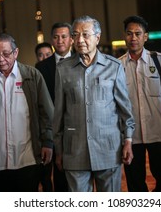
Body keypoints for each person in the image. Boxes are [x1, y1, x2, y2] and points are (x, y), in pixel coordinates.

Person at [53, 15, 135, 192]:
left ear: (97, 37)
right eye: (75, 35)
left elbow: (125, 111)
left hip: (109, 149)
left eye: (85, 35)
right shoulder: (63, 69)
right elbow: (58, 114)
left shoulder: (113, 66)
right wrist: (58, 150)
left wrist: (128, 141)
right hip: (74, 151)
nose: (80, 40)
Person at [0, 33, 54, 192]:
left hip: (28, 157)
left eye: (6, 53)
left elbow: (46, 113)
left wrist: (47, 142)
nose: (0, 59)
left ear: (16, 53)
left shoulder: (32, 76)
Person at [119, 15, 161, 192]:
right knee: (135, 183)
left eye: (138, 34)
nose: (133, 38)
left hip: (158, 131)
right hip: (132, 136)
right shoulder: (118, 65)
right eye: (129, 33)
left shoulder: (160, 60)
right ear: (125, 36)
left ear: (145, 36)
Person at [35, 22, 73, 192]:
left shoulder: (82, 60)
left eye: (64, 36)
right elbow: (41, 104)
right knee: (60, 179)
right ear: (52, 40)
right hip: (56, 128)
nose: (60, 41)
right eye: (56, 37)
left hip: (79, 128)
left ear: (71, 39)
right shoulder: (42, 67)